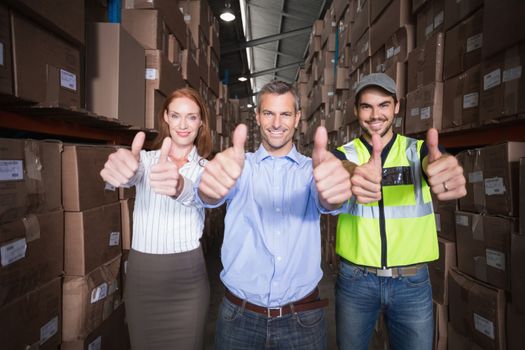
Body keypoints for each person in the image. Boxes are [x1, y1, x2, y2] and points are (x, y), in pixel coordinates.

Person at [196, 80, 352, 350]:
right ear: (257, 117)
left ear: (298, 118)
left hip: (302, 319)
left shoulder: (310, 171)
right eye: (269, 113)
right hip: (239, 318)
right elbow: (212, 196)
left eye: (285, 114)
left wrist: (334, 191)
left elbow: (327, 201)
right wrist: (208, 190)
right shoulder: (239, 167)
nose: (277, 123)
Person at [333, 73, 467, 349]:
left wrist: (444, 167)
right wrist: (352, 173)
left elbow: (435, 161)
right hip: (356, 281)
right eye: (366, 106)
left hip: (411, 283)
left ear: (397, 107)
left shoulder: (417, 151)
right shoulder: (344, 154)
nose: (375, 115)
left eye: (383, 105)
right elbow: (335, 169)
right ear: (356, 110)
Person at [100, 87, 212, 350]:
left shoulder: (207, 169)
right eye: (176, 116)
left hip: (188, 279)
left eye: (192, 117)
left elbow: (201, 195)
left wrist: (180, 186)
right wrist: (122, 170)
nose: (183, 125)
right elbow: (130, 174)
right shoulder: (145, 161)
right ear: (165, 118)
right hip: (143, 277)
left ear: (201, 122)